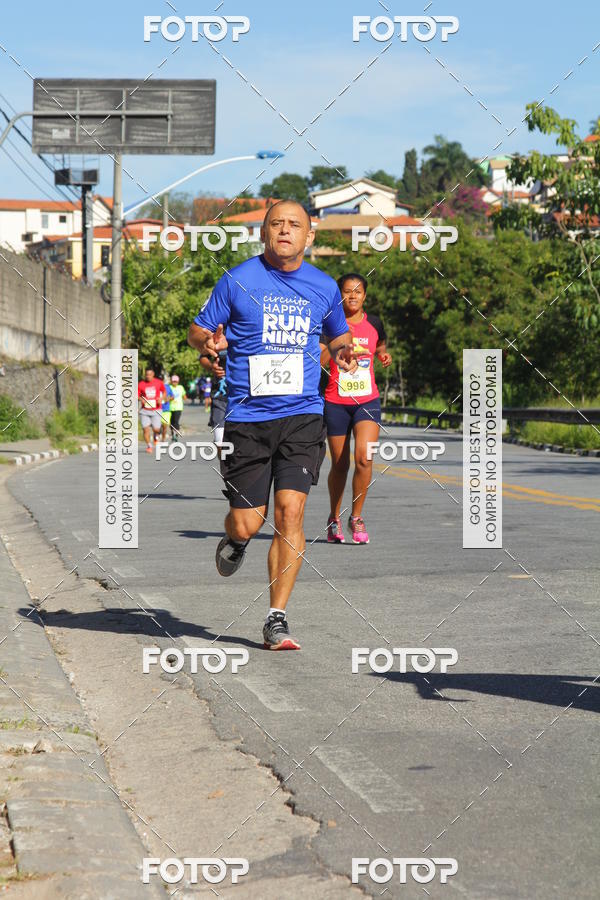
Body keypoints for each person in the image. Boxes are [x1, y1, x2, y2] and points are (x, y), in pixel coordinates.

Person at [188, 199, 357, 651]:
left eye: (294, 225)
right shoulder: (238, 279)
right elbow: (198, 329)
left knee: (291, 513)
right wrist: (208, 341)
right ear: (264, 232)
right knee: (248, 522)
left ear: (310, 236)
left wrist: (341, 350)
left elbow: (337, 332)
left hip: (302, 416)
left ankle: (276, 618)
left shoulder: (323, 287)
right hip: (246, 417)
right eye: (276, 224)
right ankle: (235, 540)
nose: (285, 230)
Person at [320, 273, 392, 544]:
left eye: (358, 291)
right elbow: (321, 360)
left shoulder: (374, 323)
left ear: (365, 295)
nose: (352, 296)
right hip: (336, 401)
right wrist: (339, 345)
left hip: (367, 401)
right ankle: (334, 518)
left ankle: (357, 517)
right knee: (340, 464)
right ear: (339, 295)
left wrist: (383, 355)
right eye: (347, 291)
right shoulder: (330, 324)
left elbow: (381, 344)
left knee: (364, 458)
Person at [200, 349, 228, 451]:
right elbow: (203, 357)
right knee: (219, 441)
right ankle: (226, 466)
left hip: (245, 398)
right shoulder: (217, 335)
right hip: (220, 398)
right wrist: (212, 367)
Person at [138, 367, 166, 454]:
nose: (148, 376)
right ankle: (149, 446)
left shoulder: (159, 382)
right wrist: (140, 399)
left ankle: (157, 434)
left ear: (153, 374)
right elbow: (137, 395)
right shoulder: (141, 384)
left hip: (156, 410)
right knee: (145, 429)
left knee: (156, 429)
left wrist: (161, 398)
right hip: (144, 410)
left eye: (150, 375)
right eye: (146, 375)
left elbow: (164, 392)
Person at [169, 374, 186, 441]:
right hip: (170, 407)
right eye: (173, 381)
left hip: (178, 407)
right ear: (171, 381)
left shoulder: (180, 387)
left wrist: (184, 397)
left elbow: (184, 396)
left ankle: (176, 434)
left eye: (176, 381)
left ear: (178, 381)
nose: (174, 383)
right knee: (171, 422)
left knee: (176, 421)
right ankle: (172, 433)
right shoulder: (169, 387)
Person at [160, 377, 174, 443]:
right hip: (156, 409)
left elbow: (172, 396)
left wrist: (168, 399)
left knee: (165, 426)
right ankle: (156, 436)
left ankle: (163, 439)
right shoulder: (154, 387)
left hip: (166, 409)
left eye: (161, 380)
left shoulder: (167, 387)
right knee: (157, 426)